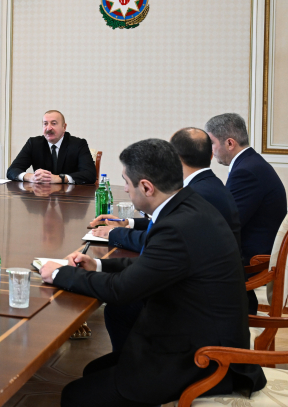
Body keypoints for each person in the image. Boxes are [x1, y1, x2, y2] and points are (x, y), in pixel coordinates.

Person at [40, 139, 264, 407]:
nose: (124, 188)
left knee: (75, 395)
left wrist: (58, 274)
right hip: (197, 337)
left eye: (126, 181)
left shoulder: (176, 226)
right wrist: (98, 264)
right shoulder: (188, 205)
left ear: (146, 186)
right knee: (93, 371)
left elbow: (121, 290)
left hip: (204, 359)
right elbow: (154, 265)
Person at [89, 127, 243, 352]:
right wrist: (127, 225)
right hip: (204, 302)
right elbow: (162, 228)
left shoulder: (200, 194)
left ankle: (128, 365)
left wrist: (113, 236)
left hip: (201, 335)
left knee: (121, 306)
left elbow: (163, 240)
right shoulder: (203, 187)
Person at [205, 113, 286, 266]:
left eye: (212, 144)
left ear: (230, 143)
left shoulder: (246, 171)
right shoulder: (250, 163)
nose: (211, 151)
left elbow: (228, 223)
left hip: (252, 259)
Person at [6, 110, 96, 184]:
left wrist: (60, 178)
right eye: (45, 124)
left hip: (70, 198)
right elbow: (12, 171)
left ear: (64, 127)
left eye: (53, 123)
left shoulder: (78, 144)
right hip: (41, 199)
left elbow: (90, 174)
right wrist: (31, 177)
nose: (48, 128)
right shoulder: (34, 143)